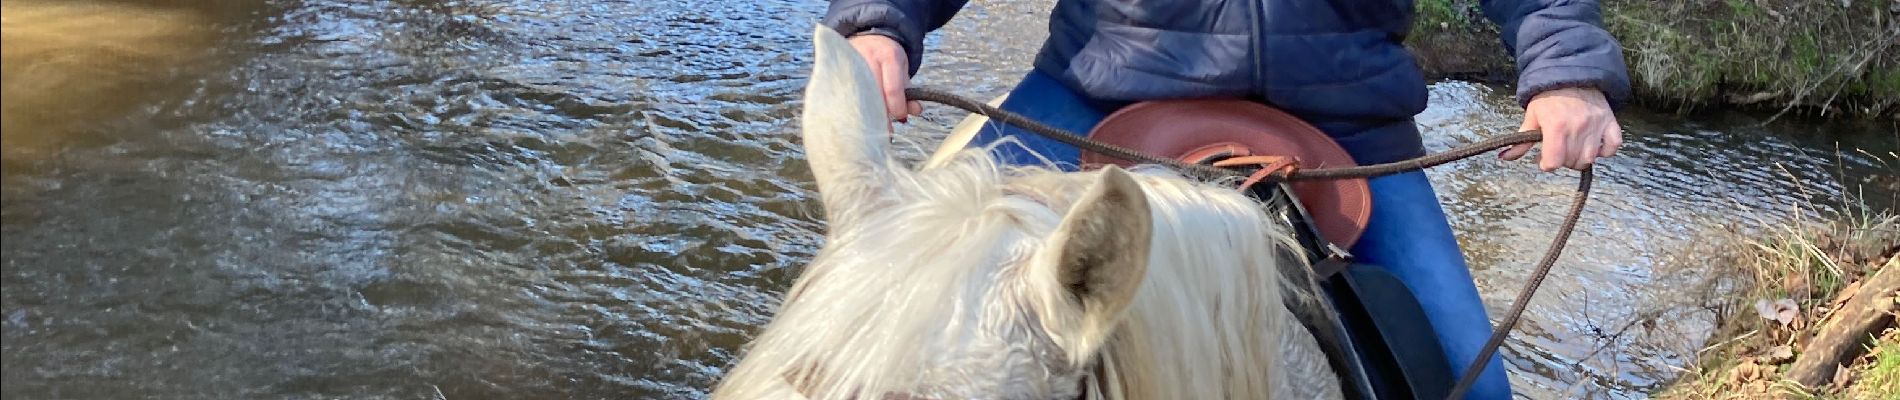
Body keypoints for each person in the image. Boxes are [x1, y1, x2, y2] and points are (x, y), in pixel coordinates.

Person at [821, 0, 1632, 398]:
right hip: (1104, 90)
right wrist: (883, 24)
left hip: (1346, 122)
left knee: (1472, 385)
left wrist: (1565, 69)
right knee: (892, 283)